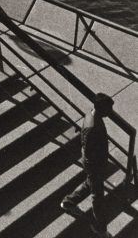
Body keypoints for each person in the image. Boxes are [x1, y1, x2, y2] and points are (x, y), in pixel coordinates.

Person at [61, 92, 114, 238]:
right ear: (101, 108)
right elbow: (90, 152)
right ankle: (100, 229)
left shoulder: (92, 115)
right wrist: (97, 169)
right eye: (108, 109)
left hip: (93, 164)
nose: (110, 112)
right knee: (98, 198)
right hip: (94, 165)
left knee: (90, 183)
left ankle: (68, 202)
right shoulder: (92, 126)